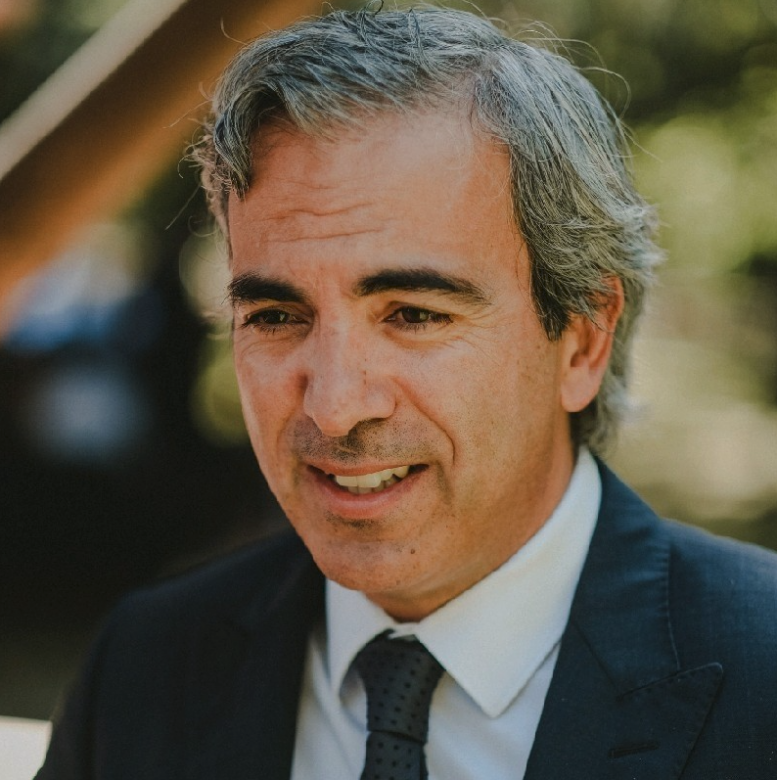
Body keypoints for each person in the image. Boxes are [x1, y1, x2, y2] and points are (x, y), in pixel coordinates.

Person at [36, 7, 777, 779]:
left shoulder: (762, 679)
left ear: (583, 339)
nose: (333, 406)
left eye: (414, 315)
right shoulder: (144, 668)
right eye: (277, 316)